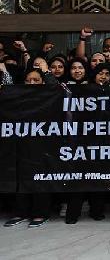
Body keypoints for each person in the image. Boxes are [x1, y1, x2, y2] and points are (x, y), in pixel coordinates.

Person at [3, 69, 55, 228]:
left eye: (36, 80)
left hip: (43, 145)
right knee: (21, 177)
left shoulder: (50, 97)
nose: (31, 83)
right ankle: (20, 212)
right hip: (21, 144)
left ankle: (41, 213)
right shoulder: (17, 98)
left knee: (40, 178)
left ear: (43, 82)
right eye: (28, 80)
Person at [65, 63, 110, 224]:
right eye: (100, 73)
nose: (103, 77)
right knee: (79, 178)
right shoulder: (83, 91)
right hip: (82, 141)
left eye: (107, 74)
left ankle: (97, 211)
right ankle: (73, 213)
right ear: (94, 76)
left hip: (105, 143)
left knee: (98, 178)